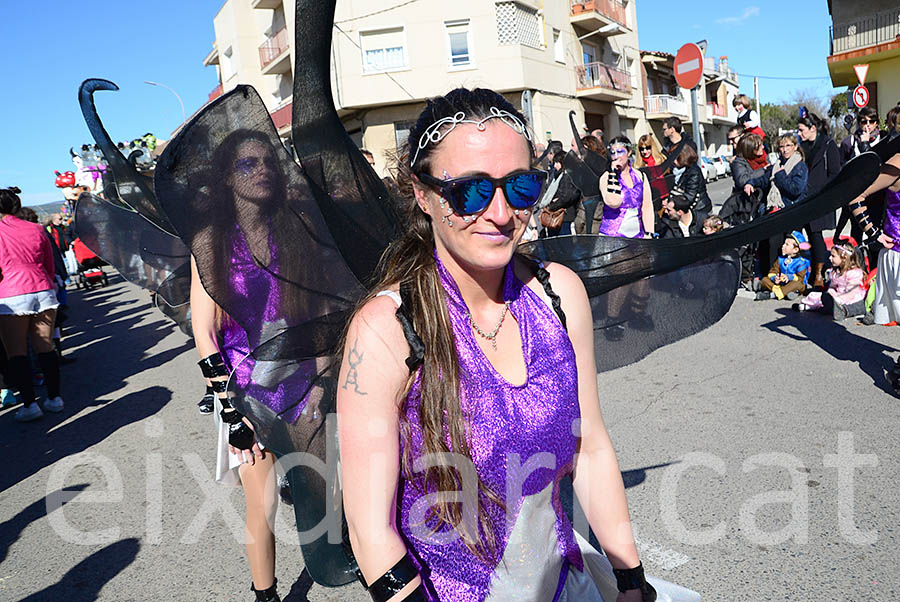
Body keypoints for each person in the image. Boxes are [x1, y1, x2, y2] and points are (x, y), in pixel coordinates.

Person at [338, 87, 657, 602]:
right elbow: (370, 529)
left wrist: (630, 580)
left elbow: (589, 446)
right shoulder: (386, 329)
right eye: (470, 191)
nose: (501, 212)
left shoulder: (559, 294)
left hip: (564, 586)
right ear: (423, 194)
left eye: (521, 186)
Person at [188, 133, 292, 602]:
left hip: (306, 382)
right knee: (263, 501)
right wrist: (231, 416)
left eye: (268, 161)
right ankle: (265, 595)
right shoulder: (210, 242)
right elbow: (205, 333)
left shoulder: (294, 229)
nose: (263, 169)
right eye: (248, 163)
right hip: (247, 392)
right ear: (227, 177)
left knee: (333, 486)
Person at [0, 187, 65, 422]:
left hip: (11, 293)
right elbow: (49, 264)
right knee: (45, 347)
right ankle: (55, 398)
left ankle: (29, 404)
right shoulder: (36, 228)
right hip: (43, 289)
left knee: (16, 352)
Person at [798, 110, 841, 289]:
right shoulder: (801, 147)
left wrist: (823, 193)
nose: (799, 134)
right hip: (803, 198)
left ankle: (819, 275)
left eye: (801, 130)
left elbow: (835, 173)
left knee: (816, 235)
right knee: (808, 234)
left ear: (813, 128)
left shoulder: (828, 144)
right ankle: (809, 273)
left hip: (820, 198)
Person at [837, 107, 885, 265]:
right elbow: (842, 167)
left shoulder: (883, 139)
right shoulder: (849, 142)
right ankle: (857, 271)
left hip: (877, 196)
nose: (868, 125)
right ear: (858, 123)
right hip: (855, 197)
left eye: (872, 122)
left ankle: (874, 269)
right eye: (864, 121)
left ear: (877, 123)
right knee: (856, 236)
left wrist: (866, 144)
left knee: (875, 235)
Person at [597, 136, 654, 238]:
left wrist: (649, 233)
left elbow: (647, 206)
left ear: (629, 152)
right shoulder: (605, 177)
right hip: (613, 236)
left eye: (620, 152)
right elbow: (613, 202)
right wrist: (613, 174)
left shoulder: (640, 176)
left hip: (637, 236)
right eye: (613, 153)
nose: (616, 157)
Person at [792, 243, 867, 320]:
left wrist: (837, 298)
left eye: (833, 256)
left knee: (835, 302)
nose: (830, 258)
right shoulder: (835, 271)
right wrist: (831, 292)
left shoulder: (854, 273)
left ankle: (831, 308)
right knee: (816, 296)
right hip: (837, 294)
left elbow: (850, 294)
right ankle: (806, 306)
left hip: (850, 297)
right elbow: (832, 286)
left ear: (844, 258)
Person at [755, 231, 811, 301]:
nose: (783, 246)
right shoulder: (780, 259)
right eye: (784, 243)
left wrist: (788, 277)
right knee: (764, 280)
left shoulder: (801, 262)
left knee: (797, 285)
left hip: (793, 282)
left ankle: (772, 294)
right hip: (781, 283)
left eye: (787, 244)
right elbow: (773, 271)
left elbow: (801, 278)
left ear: (795, 249)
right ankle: (785, 292)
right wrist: (775, 278)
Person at [670, 142, 712, 221]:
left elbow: (689, 197)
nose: (673, 161)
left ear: (683, 156)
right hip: (686, 209)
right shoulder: (675, 170)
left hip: (699, 209)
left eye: (676, 157)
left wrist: (672, 202)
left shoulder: (693, 171)